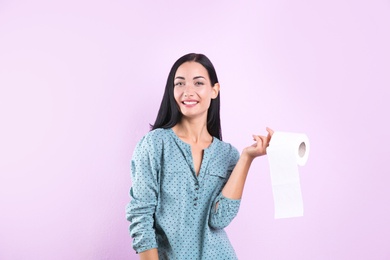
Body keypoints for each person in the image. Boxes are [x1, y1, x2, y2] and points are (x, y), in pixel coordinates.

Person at [126, 53, 273, 259]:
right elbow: (140, 216)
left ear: (214, 90)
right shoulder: (154, 144)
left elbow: (219, 219)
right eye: (180, 83)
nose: (188, 91)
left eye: (198, 83)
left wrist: (247, 158)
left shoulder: (228, 154)